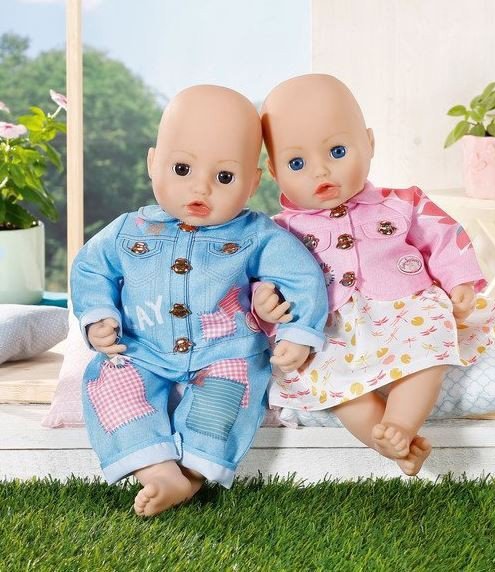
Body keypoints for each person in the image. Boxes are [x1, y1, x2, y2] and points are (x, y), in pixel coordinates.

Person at [71, 85, 328, 517]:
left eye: (224, 177)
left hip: (225, 352)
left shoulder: (256, 234)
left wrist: (299, 332)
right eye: (182, 168)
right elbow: (90, 269)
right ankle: (156, 469)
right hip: (141, 347)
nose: (201, 187)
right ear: (153, 163)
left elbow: (301, 275)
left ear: (252, 182)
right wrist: (98, 317)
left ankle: (189, 476)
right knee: (110, 385)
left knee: (224, 405)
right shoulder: (128, 230)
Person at [254, 74, 495, 476]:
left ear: (368, 143)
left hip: (407, 307)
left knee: (431, 347)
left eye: (337, 150)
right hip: (329, 325)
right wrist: (263, 299)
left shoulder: (403, 203)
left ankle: (402, 422)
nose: (321, 171)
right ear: (273, 170)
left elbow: (443, 235)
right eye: (297, 163)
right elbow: (262, 274)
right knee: (328, 381)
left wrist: (458, 280)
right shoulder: (279, 231)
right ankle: (388, 442)